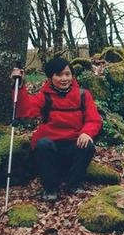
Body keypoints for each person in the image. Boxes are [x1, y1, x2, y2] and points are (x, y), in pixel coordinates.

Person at [10, 57, 103, 202]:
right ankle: (50, 188)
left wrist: (86, 133)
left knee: (88, 145)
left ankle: (74, 184)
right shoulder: (44, 96)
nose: (64, 78)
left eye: (67, 74)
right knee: (42, 144)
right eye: (58, 75)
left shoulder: (83, 95)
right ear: (50, 77)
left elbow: (94, 119)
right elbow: (25, 111)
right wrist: (20, 85)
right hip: (50, 145)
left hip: (74, 143)